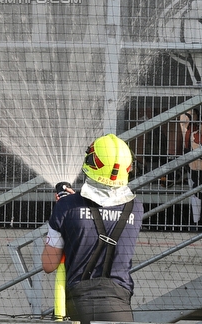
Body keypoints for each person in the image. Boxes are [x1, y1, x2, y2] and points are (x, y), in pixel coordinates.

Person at [42, 134, 144, 324]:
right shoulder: (136, 208)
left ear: (91, 163)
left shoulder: (67, 207)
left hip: (79, 308)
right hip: (120, 307)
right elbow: (104, 207)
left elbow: (49, 265)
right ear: (127, 168)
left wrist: (66, 207)